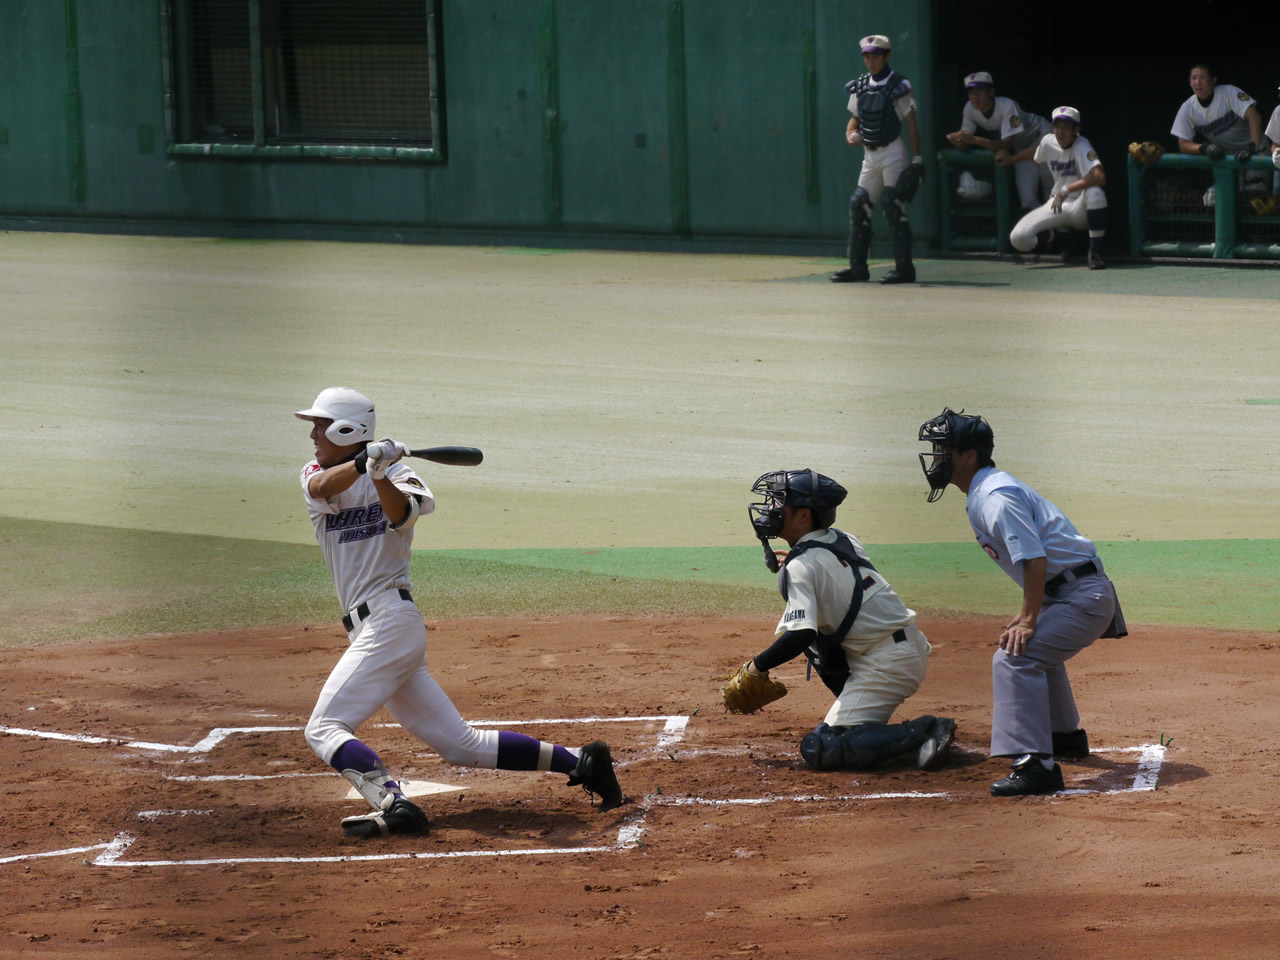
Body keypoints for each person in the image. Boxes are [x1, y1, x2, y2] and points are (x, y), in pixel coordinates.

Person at [294, 387, 625, 838]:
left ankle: (393, 803)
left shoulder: (400, 474)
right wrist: (360, 463)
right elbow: (320, 486)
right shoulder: (316, 473)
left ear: (344, 428)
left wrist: (378, 473)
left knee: (325, 727)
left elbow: (401, 514)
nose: (313, 433)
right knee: (459, 744)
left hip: (390, 620)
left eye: (320, 424)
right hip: (374, 630)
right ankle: (582, 762)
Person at [916, 408, 1127, 797]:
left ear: (970, 456)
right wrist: (1031, 611)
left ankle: (1037, 766)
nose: (937, 457)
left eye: (944, 449)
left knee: (1014, 657)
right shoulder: (986, 489)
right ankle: (1062, 737)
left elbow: (1034, 557)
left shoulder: (995, 496)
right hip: (1072, 591)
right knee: (1028, 647)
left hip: (1081, 595)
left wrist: (1030, 618)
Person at [720, 469, 957, 773]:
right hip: (900, 649)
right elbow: (834, 578)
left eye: (779, 502)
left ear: (804, 514)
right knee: (823, 665)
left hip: (887, 663)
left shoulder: (802, 567)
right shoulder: (842, 539)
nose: (770, 509)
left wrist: (756, 667)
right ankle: (864, 719)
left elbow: (801, 634)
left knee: (822, 747)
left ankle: (927, 730)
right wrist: (798, 563)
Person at [831, 34, 924, 285]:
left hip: (893, 152)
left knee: (893, 207)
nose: (871, 61)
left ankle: (905, 270)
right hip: (869, 156)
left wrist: (917, 159)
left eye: (876, 56)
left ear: (887, 56)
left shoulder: (899, 85)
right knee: (858, 204)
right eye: (867, 56)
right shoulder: (861, 85)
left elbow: (911, 124)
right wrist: (849, 133)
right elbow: (855, 119)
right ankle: (858, 269)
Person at [1004, 106, 1108, 270]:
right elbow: (1036, 153)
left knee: (1095, 193)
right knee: (1018, 239)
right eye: (1057, 127)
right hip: (1057, 204)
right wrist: (1012, 159)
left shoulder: (1082, 144)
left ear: (1076, 129)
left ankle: (1095, 252)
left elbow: (1099, 176)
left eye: (1066, 127)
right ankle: (1058, 237)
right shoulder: (1048, 141)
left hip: (1079, 208)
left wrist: (1067, 189)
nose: (1060, 132)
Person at [946, 71, 1053, 210]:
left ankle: (1062, 229)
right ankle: (1045, 231)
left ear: (991, 92)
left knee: (1050, 191)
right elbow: (965, 144)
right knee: (1027, 201)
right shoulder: (969, 109)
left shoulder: (1007, 105)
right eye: (971, 92)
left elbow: (1006, 145)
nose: (975, 96)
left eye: (980, 91)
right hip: (1021, 150)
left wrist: (974, 140)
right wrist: (957, 141)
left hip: (1042, 138)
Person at [1172, 64, 1268, 195]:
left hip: (1256, 149)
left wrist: (1252, 148)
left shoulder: (1227, 92)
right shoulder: (1187, 108)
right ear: (1189, 82)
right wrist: (1204, 148)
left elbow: (1255, 117)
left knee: (1255, 193)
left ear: (1213, 81)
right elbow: (1183, 144)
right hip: (1228, 156)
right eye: (1194, 78)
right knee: (1212, 199)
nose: (1197, 82)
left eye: (1202, 78)